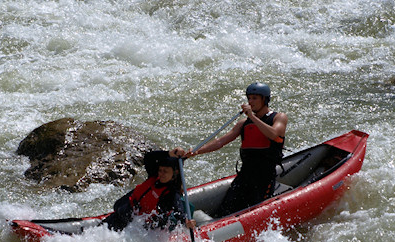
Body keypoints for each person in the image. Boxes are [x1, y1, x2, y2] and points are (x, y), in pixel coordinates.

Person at [185, 82, 288, 217]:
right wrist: (197, 151)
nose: (250, 102)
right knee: (225, 209)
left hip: (264, 176)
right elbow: (221, 141)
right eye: (249, 98)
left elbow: (274, 134)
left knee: (255, 209)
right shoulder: (243, 123)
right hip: (245, 175)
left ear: (265, 99)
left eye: (255, 98)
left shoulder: (278, 117)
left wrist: (252, 116)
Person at [102, 148, 196, 232]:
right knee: (108, 223)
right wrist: (169, 153)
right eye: (160, 170)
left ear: (175, 173)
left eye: (165, 171)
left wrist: (186, 221)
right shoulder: (154, 176)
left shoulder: (171, 193)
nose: (161, 174)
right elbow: (148, 157)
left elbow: (178, 209)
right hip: (126, 212)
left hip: (138, 226)